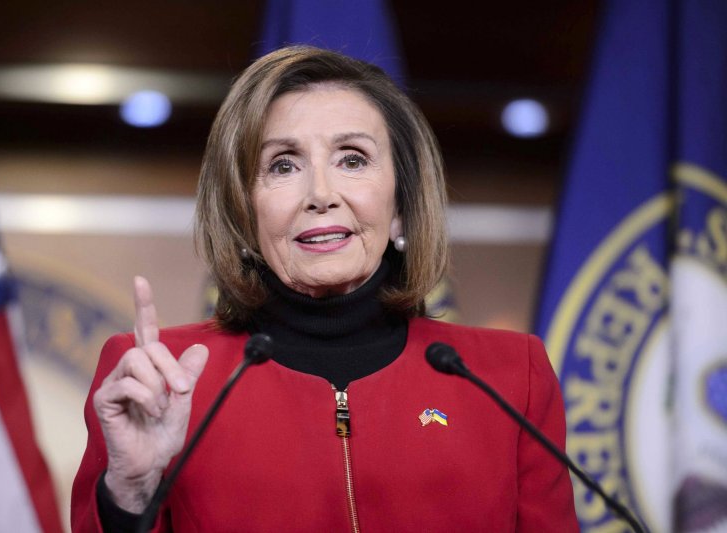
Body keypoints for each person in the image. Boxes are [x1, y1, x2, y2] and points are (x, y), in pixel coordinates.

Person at [71, 46, 578, 532]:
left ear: (401, 203)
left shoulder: (510, 378)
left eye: (353, 159)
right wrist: (130, 494)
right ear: (243, 211)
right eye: (283, 165)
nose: (320, 195)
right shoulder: (161, 379)